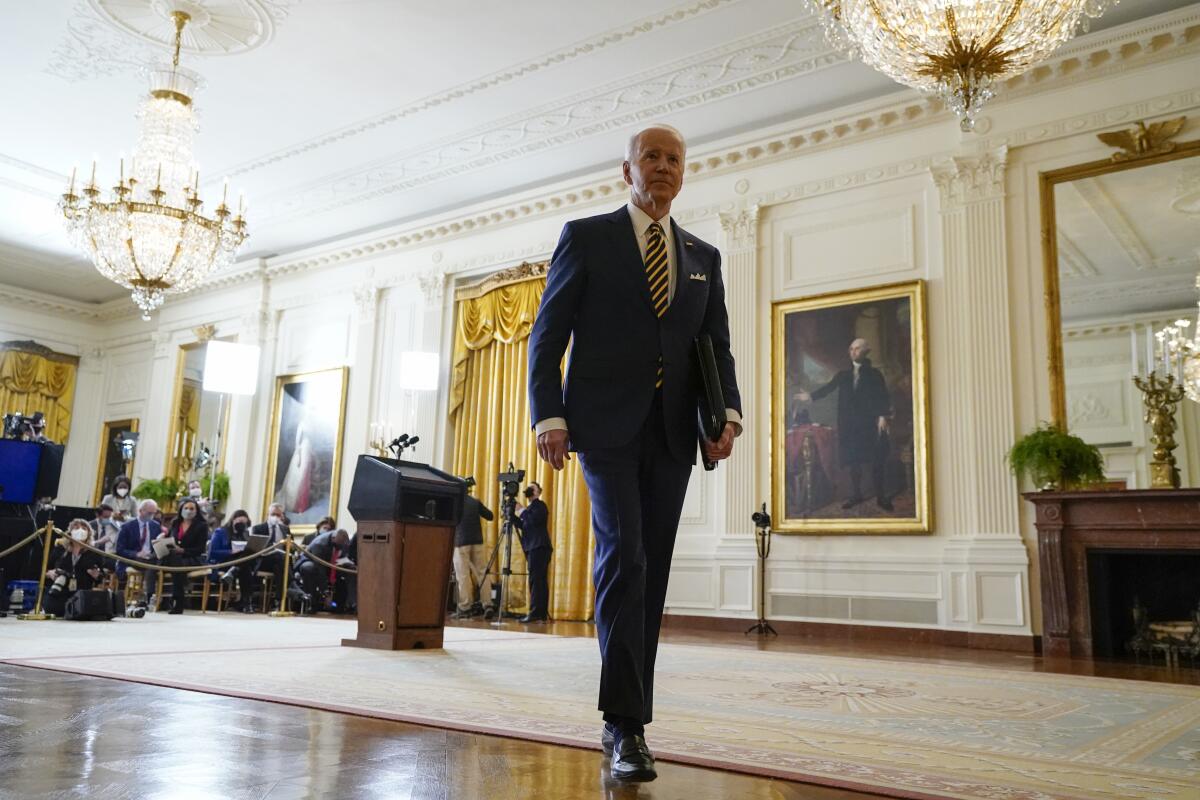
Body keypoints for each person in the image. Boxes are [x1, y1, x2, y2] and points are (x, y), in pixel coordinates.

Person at [527, 124, 741, 782]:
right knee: (626, 556)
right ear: (627, 171)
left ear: (685, 172)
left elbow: (718, 345)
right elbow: (546, 334)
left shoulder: (704, 254)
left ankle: (628, 715)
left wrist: (725, 414)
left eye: (674, 158)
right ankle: (625, 727)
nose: (664, 166)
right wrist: (550, 416)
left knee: (652, 569)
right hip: (603, 427)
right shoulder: (587, 238)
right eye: (651, 156)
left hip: (674, 433)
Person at [793, 337, 892, 511]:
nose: (853, 352)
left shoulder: (875, 374)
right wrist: (810, 396)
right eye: (851, 349)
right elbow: (828, 388)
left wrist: (883, 416)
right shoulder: (843, 375)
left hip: (869, 424)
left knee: (876, 459)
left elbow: (882, 396)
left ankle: (881, 496)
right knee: (853, 460)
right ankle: (856, 494)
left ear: (866, 351)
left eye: (857, 348)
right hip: (849, 424)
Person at [157, 498, 209, 614]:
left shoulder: (201, 526)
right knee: (166, 558)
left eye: (191, 508)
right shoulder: (175, 523)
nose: (188, 511)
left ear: (196, 511)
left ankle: (177, 600)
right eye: (186, 508)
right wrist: (162, 540)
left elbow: (200, 549)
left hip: (191, 557)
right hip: (174, 556)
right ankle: (167, 599)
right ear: (181, 510)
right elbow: (170, 539)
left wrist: (183, 550)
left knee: (176, 563)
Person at [43, 520, 104, 618]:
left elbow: (101, 577)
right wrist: (50, 573)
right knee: (53, 609)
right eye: (76, 528)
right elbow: (44, 570)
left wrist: (97, 575)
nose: (80, 530)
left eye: (84, 529)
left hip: (81, 594)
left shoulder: (94, 552)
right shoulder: (60, 549)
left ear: (89, 534)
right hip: (59, 592)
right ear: (70, 532)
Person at [451, 481, 494, 618]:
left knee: (463, 575)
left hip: (460, 542)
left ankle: (465, 607)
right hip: (477, 541)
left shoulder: (454, 503)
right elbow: (490, 516)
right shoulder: (475, 502)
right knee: (482, 573)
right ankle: (487, 604)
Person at [512, 482, 551, 623]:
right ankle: (539, 613)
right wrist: (512, 517)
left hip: (539, 547)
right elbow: (525, 526)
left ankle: (536, 613)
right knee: (537, 580)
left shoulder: (540, 506)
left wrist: (521, 510)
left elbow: (533, 520)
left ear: (538, 492)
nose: (529, 489)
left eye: (532, 487)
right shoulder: (530, 509)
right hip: (533, 547)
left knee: (537, 580)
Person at [295, 527, 351, 613]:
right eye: (339, 544)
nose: (341, 546)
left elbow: (345, 554)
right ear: (333, 539)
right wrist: (325, 592)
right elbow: (320, 568)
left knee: (344, 575)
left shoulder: (341, 540)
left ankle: (340, 607)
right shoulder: (320, 544)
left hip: (330, 564)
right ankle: (311, 604)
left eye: (342, 544)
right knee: (309, 568)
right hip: (311, 562)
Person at [246, 503, 290, 610]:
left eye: (278, 515)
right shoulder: (258, 528)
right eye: (273, 514)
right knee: (281, 559)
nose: (276, 517)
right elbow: (255, 548)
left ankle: (277, 601)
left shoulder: (285, 529)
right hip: (263, 560)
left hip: (279, 563)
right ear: (268, 514)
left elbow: (290, 547)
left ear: (282, 516)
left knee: (280, 565)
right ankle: (284, 595)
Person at [115, 499, 162, 600]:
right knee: (150, 565)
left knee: (160, 563)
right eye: (149, 513)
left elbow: (158, 545)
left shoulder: (156, 526)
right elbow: (119, 549)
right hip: (133, 558)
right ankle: (150, 596)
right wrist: (136, 554)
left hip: (152, 557)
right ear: (140, 511)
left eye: (154, 513)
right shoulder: (127, 526)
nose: (151, 516)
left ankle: (164, 599)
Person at [210, 509, 253, 612]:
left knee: (246, 565)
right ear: (233, 520)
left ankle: (233, 571)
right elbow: (213, 552)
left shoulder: (246, 534)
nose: (241, 525)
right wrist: (231, 551)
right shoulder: (220, 532)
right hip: (223, 562)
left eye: (244, 523)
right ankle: (246, 603)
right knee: (246, 566)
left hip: (240, 565)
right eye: (239, 522)